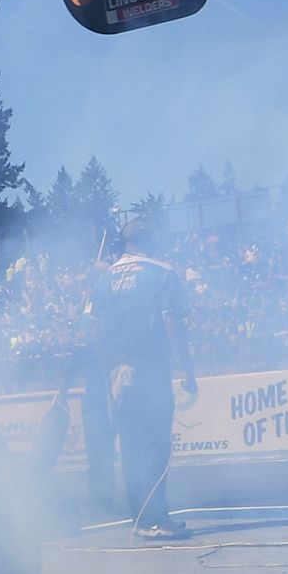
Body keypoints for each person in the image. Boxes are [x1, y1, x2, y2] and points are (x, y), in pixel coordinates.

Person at [86, 216, 198, 539]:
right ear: (152, 241)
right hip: (150, 371)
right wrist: (188, 371)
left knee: (131, 448)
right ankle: (155, 518)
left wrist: (107, 367)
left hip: (115, 374)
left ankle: (140, 519)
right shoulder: (163, 273)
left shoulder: (103, 279)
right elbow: (173, 326)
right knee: (156, 447)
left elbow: (89, 327)